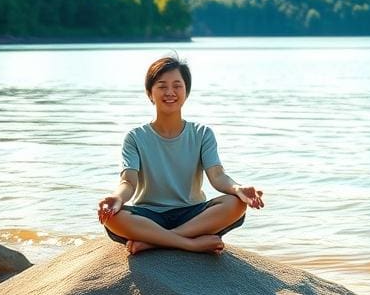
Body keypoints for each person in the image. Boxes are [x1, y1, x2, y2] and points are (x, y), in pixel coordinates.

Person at [98, 54, 264, 255]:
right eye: (162, 86)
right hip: (149, 216)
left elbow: (218, 176)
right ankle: (190, 243)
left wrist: (238, 188)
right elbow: (129, 183)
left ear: (186, 92)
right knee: (112, 217)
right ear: (150, 93)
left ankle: (154, 242)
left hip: (192, 214)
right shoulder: (135, 137)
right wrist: (116, 198)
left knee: (236, 203)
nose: (170, 92)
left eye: (177, 86)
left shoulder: (202, 134)